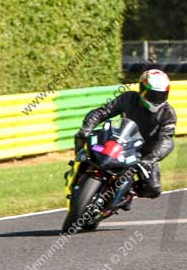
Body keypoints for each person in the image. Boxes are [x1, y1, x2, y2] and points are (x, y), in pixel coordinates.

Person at [75, 69, 177, 200]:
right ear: (142, 89)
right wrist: (87, 128)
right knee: (82, 136)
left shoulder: (168, 113)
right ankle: (78, 165)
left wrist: (151, 159)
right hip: (119, 142)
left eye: (161, 95)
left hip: (145, 154)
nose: (156, 99)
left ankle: (125, 194)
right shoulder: (128, 98)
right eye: (152, 94)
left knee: (153, 189)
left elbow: (167, 140)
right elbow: (102, 112)